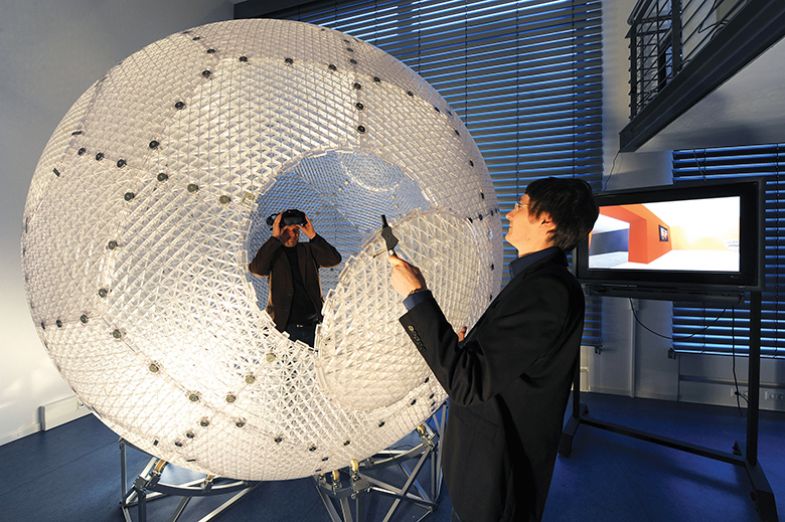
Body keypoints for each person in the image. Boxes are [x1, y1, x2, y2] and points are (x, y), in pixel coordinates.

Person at [388, 177, 598, 521]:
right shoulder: (538, 281)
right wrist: (466, 347)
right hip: (485, 461)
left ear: (548, 220)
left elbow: (468, 384)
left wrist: (417, 297)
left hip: (498, 474)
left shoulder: (548, 291)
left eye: (521, 206)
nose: (511, 214)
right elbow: (502, 363)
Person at [249, 210, 341, 347]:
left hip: (314, 327)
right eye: (286, 230)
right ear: (279, 230)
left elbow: (333, 259)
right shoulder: (274, 253)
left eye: (295, 230)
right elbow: (257, 269)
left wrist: (313, 236)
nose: (291, 235)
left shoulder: (308, 250)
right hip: (284, 329)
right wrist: (274, 238)